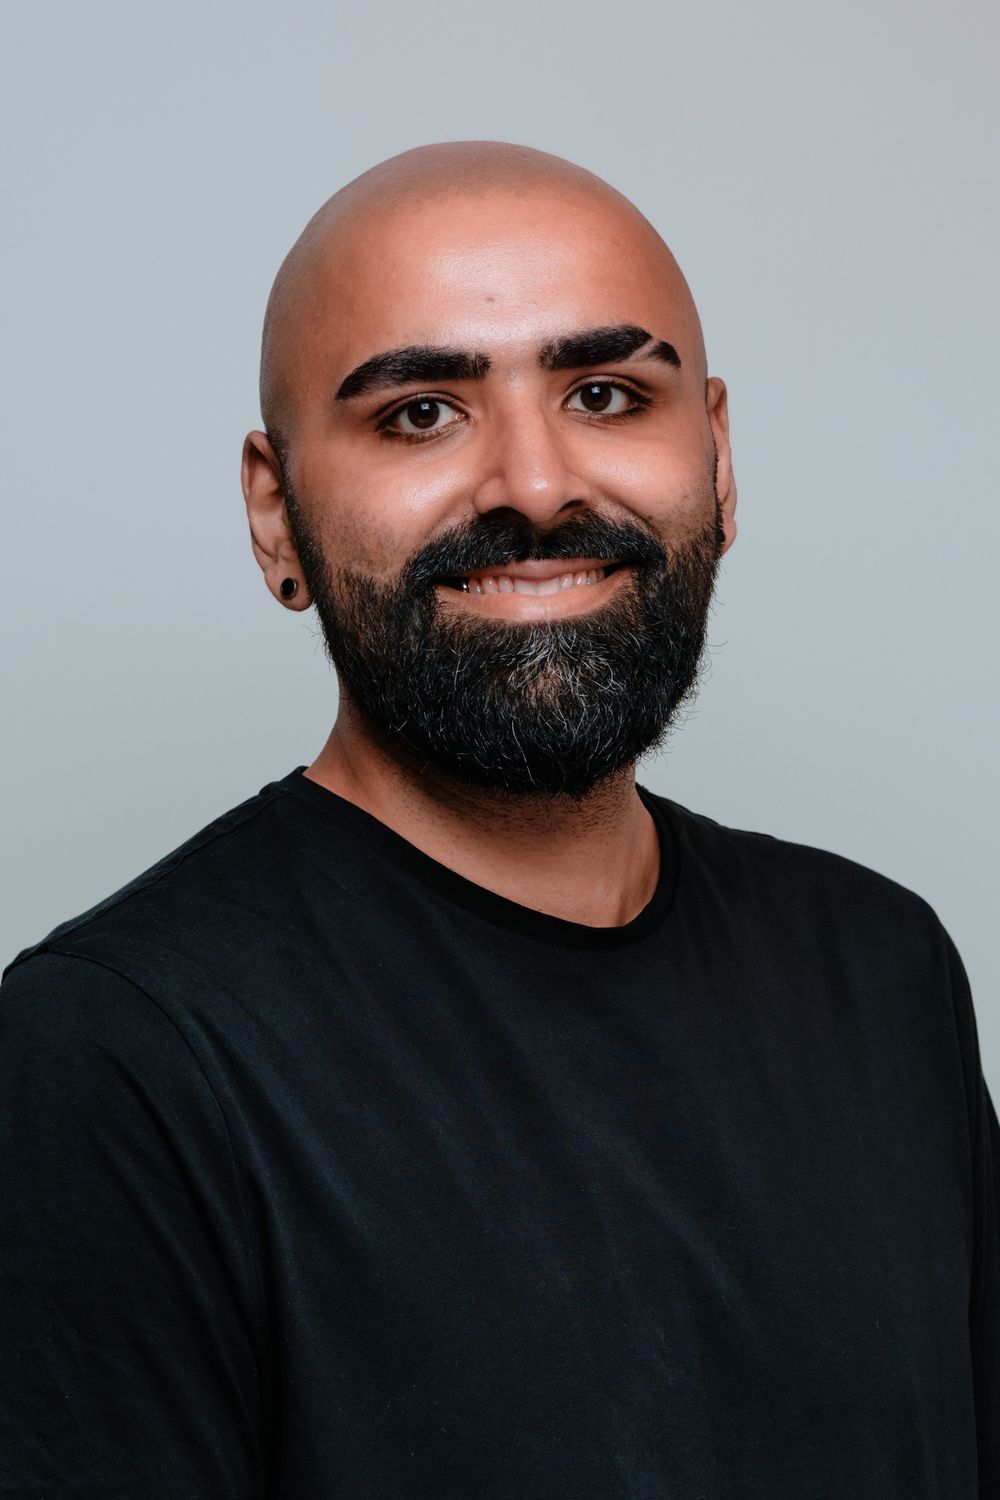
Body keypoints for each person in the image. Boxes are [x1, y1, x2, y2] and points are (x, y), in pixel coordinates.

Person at [1, 141, 996, 1498]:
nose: (535, 486)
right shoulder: (113, 1054)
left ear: (718, 452)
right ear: (273, 511)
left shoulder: (885, 969)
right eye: (420, 412)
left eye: (605, 393)